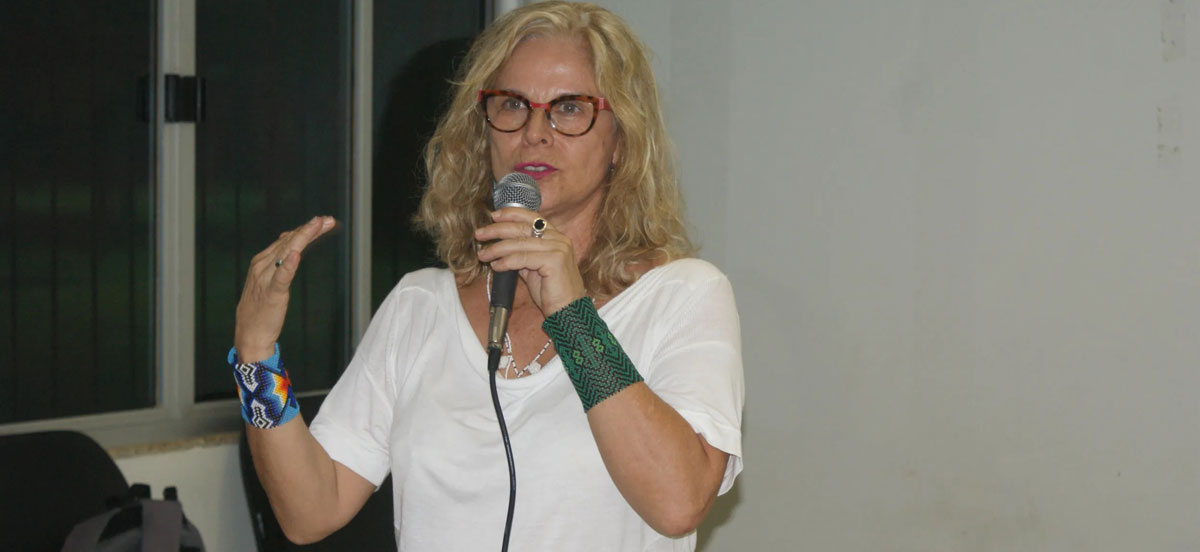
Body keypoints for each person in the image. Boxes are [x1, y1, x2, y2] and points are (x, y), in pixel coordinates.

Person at [231, 2, 743, 550]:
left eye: (569, 108)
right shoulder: (419, 305)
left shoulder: (684, 296)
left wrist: (572, 314)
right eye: (513, 105)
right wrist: (256, 357)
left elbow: (677, 503)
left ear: (621, 140)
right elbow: (309, 511)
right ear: (483, 132)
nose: (535, 132)